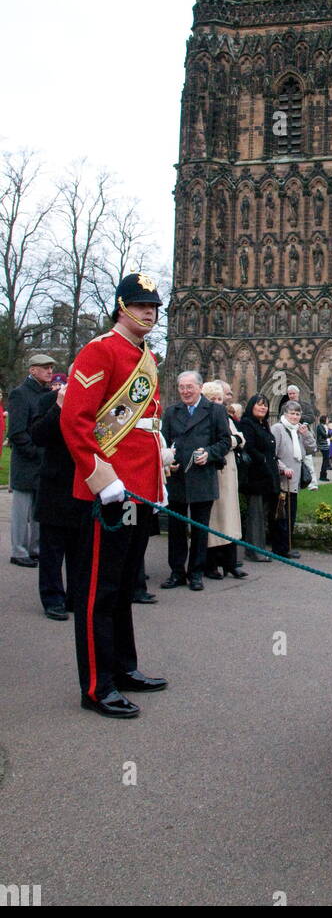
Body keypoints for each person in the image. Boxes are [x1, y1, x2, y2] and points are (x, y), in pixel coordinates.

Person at [60, 273, 170, 719]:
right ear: (121, 306)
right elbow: (76, 421)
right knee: (97, 591)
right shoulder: (100, 350)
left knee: (124, 585)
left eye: (154, 306)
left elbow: (145, 427)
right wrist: (100, 477)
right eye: (141, 305)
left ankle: (123, 668)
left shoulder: (144, 355)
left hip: (137, 489)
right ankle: (96, 685)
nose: (149, 312)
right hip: (106, 491)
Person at [160, 371, 232, 591]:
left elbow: (225, 441)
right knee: (176, 528)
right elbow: (164, 441)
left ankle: (196, 572)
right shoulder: (172, 412)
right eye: (182, 387)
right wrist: (166, 461)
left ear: (200, 388)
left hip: (203, 476)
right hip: (179, 476)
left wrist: (209, 454)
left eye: (189, 387)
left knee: (200, 528)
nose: (185, 391)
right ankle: (177, 572)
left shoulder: (216, 411)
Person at [31, 374, 86, 619]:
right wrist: (59, 407)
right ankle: (53, 598)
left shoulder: (95, 401)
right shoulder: (49, 400)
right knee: (52, 550)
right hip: (55, 484)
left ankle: (76, 597)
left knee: (80, 548)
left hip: (84, 483)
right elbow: (39, 435)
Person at [7, 351, 56, 567]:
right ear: (32, 370)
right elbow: (17, 431)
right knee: (22, 509)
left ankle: (36, 548)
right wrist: (35, 451)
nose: (50, 371)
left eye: (51, 367)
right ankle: (19, 550)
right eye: (45, 367)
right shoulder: (20, 394)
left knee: (39, 508)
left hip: (42, 460)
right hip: (27, 462)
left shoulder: (46, 395)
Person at [201, 380, 248, 580]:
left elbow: (239, 438)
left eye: (221, 398)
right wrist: (232, 441)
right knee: (214, 521)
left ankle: (230, 563)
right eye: (215, 399)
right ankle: (210, 564)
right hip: (212, 472)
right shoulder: (204, 417)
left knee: (229, 519)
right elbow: (224, 441)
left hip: (227, 472)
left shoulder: (225, 417)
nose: (220, 402)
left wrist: (233, 440)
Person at [272, 400, 316, 558]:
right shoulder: (278, 429)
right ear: (285, 414)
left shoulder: (298, 431)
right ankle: (280, 548)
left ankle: (287, 546)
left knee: (291, 515)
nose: (295, 417)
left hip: (295, 481)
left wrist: (307, 434)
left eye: (298, 414)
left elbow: (312, 449)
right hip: (283, 480)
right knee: (281, 516)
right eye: (292, 413)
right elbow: (272, 454)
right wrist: (283, 468)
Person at [239, 395, 281, 562]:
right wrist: (262, 460)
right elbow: (249, 447)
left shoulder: (263, 425)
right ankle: (255, 551)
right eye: (259, 405)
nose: (263, 408)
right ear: (251, 406)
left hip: (266, 476)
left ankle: (258, 549)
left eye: (266, 406)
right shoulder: (248, 424)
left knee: (261, 514)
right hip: (256, 477)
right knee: (256, 514)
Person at [286, 384, 318, 489]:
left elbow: (312, 417)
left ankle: (312, 484)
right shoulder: (285, 406)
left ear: (298, 394)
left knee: (307, 459)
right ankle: (295, 483)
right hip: (290, 435)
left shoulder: (305, 405)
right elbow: (281, 418)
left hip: (302, 434)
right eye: (289, 394)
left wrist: (298, 417)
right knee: (292, 459)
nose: (291, 395)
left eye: (293, 393)